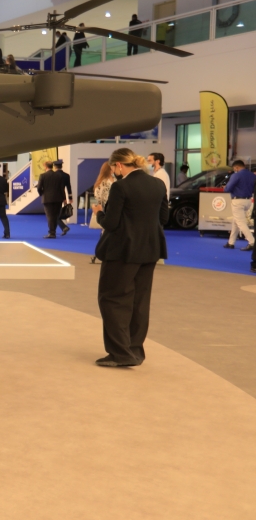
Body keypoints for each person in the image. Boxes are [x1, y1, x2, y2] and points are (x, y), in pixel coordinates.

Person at [92, 148, 168, 367]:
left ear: (118, 165)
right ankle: (135, 351)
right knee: (139, 301)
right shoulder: (157, 184)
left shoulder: (121, 187)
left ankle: (119, 353)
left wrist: (99, 212)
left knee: (113, 299)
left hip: (122, 251)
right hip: (150, 250)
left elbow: (111, 223)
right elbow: (163, 217)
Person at [223, 160, 255, 252]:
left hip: (238, 201)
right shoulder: (252, 175)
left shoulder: (236, 175)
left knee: (240, 222)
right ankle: (231, 242)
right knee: (236, 222)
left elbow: (228, 188)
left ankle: (252, 242)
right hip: (248, 200)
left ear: (236, 167)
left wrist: (225, 188)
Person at [37, 159, 72, 238]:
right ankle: (54, 232)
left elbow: (39, 188)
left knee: (50, 216)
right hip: (58, 199)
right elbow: (61, 188)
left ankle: (52, 233)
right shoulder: (59, 176)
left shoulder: (43, 176)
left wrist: (42, 194)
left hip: (47, 199)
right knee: (56, 216)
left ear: (45, 166)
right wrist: (64, 198)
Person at [90, 161, 115, 264]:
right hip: (105, 209)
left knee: (106, 233)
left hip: (113, 208)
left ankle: (100, 253)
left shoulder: (116, 180)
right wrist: (95, 209)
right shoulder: (102, 182)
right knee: (105, 232)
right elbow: (95, 197)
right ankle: (100, 253)